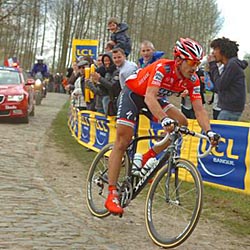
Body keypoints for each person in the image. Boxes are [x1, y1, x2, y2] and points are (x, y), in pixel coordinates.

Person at [104, 38, 220, 215]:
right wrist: (164, 119)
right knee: (123, 141)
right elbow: (149, 97)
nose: (195, 67)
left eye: (197, 63)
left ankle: (148, 156)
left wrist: (209, 132)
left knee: (182, 122)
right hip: (133, 95)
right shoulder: (162, 67)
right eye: (191, 62)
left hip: (155, 99)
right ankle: (111, 193)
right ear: (179, 60)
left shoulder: (193, 79)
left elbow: (199, 109)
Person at [208, 37, 248, 121]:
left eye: (215, 49)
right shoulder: (230, 65)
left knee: (221, 133)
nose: (213, 53)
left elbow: (220, 85)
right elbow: (220, 87)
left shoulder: (232, 65)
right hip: (230, 109)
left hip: (230, 110)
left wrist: (212, 65)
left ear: (223, 51)